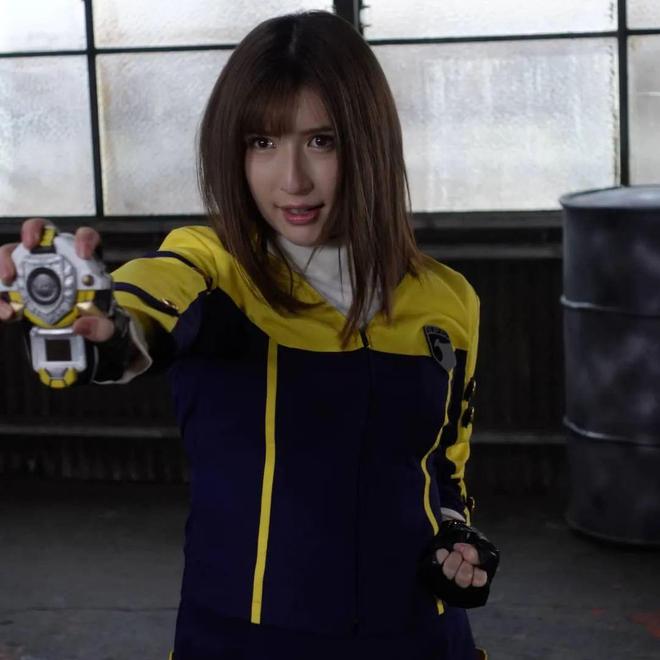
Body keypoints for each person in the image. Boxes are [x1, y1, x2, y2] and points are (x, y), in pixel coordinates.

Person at [0, 11, 497, 660]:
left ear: (369, 142)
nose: (292, 179)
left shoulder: (449, 299)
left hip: (420, 636)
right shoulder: (209, 267)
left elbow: (446, 466)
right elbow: (144, 309)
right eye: (262, 142)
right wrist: (94, 318)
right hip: (240, 639)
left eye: (322, 141)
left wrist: (459, 539)